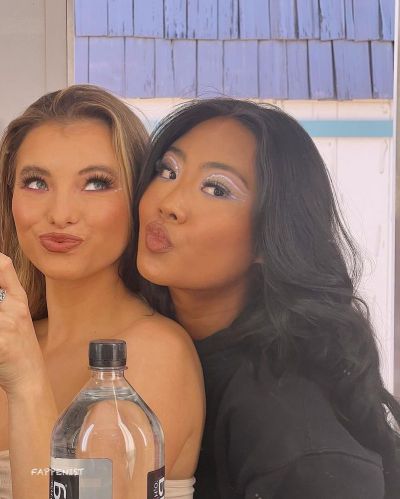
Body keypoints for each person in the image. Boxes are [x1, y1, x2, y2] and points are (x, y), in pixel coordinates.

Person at [135, 98, 400, 499]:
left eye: (216, 189)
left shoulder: (286, 421)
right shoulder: (149, 345)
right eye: (168, 171)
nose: (169, 203)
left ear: (269, 238)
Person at [0, 85, 205, 499]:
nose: (60, 214)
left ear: (138, 200)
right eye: (36, 182)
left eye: (96, 184)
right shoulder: (17, 340)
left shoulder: (155, 353)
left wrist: (26, 382)